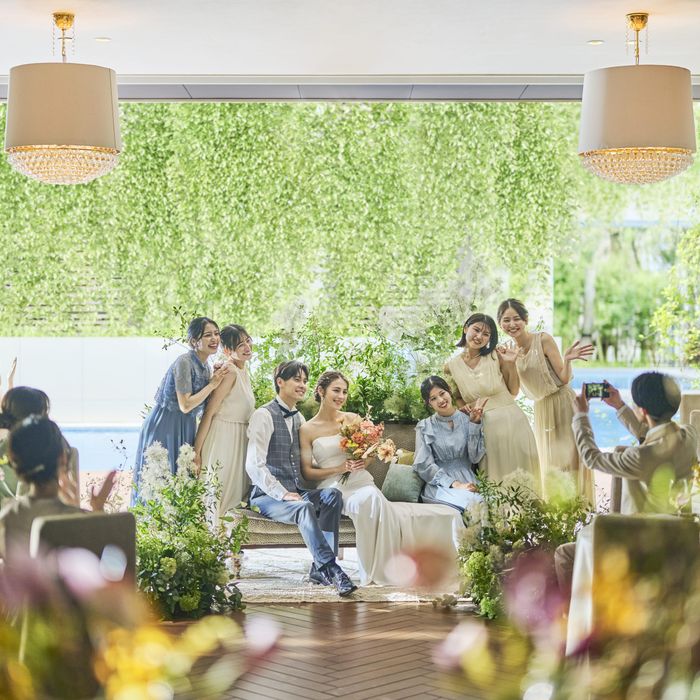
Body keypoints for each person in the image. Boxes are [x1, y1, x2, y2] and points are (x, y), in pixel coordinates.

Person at [554, 372, 699, 596]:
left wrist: (580, 416)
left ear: (643, 411)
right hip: (678, 539)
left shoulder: (639, 458)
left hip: (640, 544)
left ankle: (578, 614)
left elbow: (591, 458)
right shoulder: (689, 436)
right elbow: (653, 435)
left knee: (565, 554)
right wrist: (620, 406)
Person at [246, 361, 356, 596]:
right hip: (266, 496)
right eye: (297, 379)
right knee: (304, 507)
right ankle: (331, 569)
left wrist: (342, 463)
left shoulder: (300, 419)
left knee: (332, 496)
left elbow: (306, 462)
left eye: (305, 381)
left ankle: (318, 568)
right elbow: (254, 465)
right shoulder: (263, 415)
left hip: (294, 491)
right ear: (280, 382)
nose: (302, 385)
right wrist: (282, 493)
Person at [497, 298, 594, 500]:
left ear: (525, 320)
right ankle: (557, 510)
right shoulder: (507, 353)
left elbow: (564, 378)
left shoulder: (543, 340)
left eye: (516, 318)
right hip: (542, 408)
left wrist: (567, 360)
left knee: (570, 458)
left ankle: (577, 506)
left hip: (563, 403)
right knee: (550, 462)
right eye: (506, 320)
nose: (512, 324)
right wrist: (510, 363)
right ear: (500, 324)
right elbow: (513, 392)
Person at [132, 317, 230, 501]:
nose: (214, 339)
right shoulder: (184, 362)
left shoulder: (206, 366)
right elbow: (185, 405)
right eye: (208, 335)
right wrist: (212, 385)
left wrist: (214, 379)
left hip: (187, 426)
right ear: (194, 341)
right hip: (165, 425)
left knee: (180, 482)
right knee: (160, 481)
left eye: (216, 334)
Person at [444, 313, 540, 486]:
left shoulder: (496, 355)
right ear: (465, 328)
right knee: (495, 481)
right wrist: (464, 409)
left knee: (522, 482)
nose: (479, 336)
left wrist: (510, 363)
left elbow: (513, 391)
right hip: (484, 429)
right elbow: (457, 397)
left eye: (486, 334)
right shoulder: (450, 367)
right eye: (476, 330)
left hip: (513, 423)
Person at [0, 416, 115, 562]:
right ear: (63, 459)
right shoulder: (78, 519)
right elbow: (106, 560)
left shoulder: (7, 517)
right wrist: (98, 511)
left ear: (14, 463)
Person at [194, 324, 256, 521]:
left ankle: (227, 539)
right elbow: (209, 412)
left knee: (235, 500)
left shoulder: (242, 370)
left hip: (240, 439)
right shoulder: (229, 371)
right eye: (240, 344)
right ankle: (215, 538)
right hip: (224, 439)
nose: (247, 347)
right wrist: (196, 453)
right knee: (221, 496)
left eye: (248, 341)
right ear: (227, 350)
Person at [413, 376, 486, 513]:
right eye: (433, 398)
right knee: (471, 506)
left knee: (488, 503)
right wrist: (454, 484)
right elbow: (424, 465)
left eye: (442, 393)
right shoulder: (425, 426)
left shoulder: (468, 419)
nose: (440, 400)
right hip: (440, 486)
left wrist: (475, 423)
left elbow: (475, 458)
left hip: (469, 481)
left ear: (449, 391)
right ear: (428, 403)